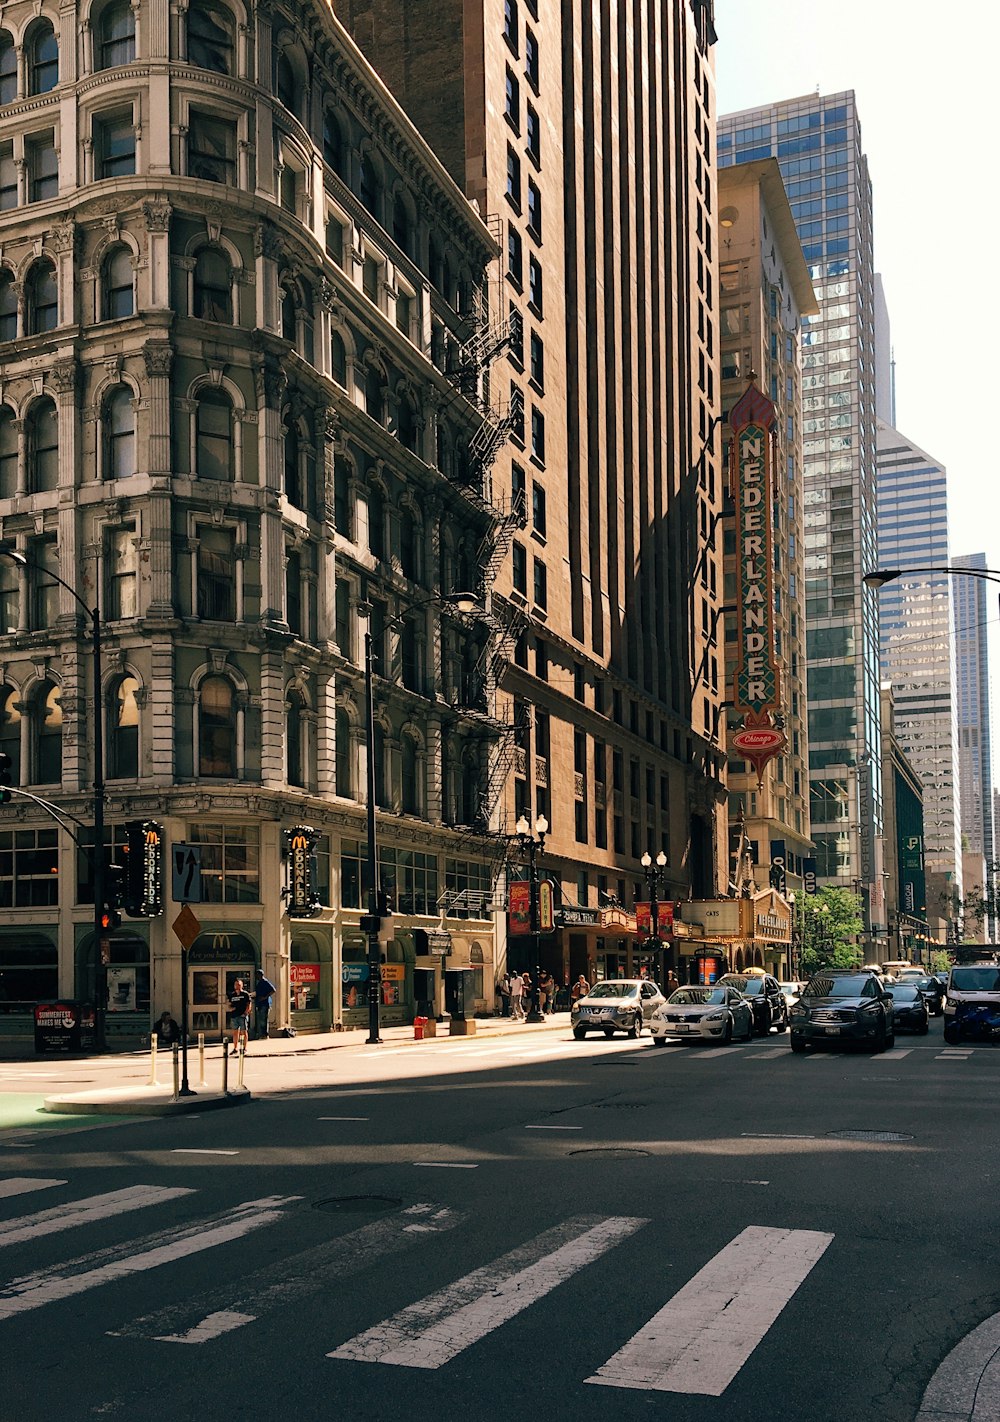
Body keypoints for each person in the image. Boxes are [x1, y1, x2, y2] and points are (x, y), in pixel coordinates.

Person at [227, 977, 252, 1055]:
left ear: (242, 986)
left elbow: (249, 1004)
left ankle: (244, 1048)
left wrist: (246, 1012)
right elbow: (229, 1004)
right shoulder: (232, 995)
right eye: (236, 985)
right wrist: (230, 1008)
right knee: (235, 1032)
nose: (237, 986)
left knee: (244, 1032)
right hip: (234, 1015)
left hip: (242, 1015)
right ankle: (235, 1048)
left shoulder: (245, 994)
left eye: (239, 985)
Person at [254, 974, 276, 1040]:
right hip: (259, 1004)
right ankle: (261, 1034)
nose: (256, 977)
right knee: (261, 1019)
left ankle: (265, 1035)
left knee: (263, 1020)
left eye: (257, 975)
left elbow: (273, 990)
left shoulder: (265, 982)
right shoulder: (259, 983)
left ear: (261, 975)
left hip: (265, 1004)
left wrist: (265, 997)